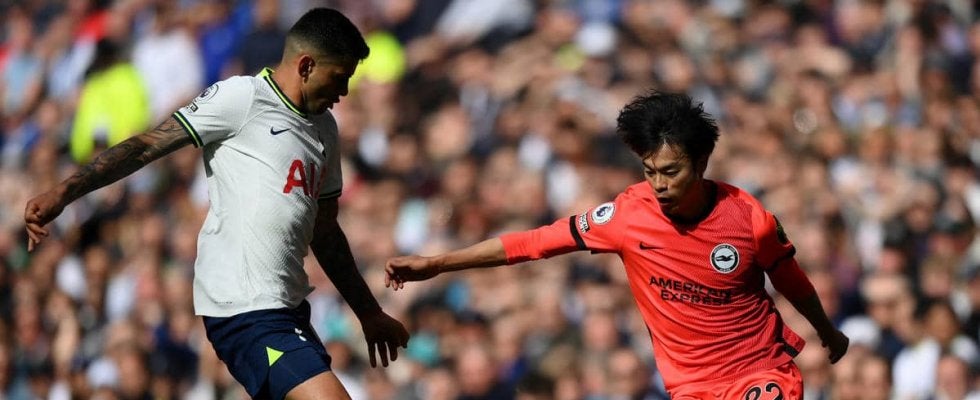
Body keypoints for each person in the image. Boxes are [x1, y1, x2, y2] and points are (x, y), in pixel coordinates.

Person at [25, 8, 409, 400]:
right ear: (306, 65)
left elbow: (325, 231)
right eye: (340, 77)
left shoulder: (326, 130)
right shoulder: (243, 98)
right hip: (245, 308)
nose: (344, 91)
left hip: (290, 309)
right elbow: (147, 146)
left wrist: (368, 312)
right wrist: (65, 192)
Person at [385, 91, 849, 399]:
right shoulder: (628, 215)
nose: (659, 184)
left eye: (671, 172)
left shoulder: (749, 219)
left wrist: (826, 331)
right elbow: (533, 243)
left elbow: (789, 278)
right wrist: (438, 262)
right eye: (650, 172)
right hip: (690, 387)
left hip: (759, 372)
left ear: (702, 162)